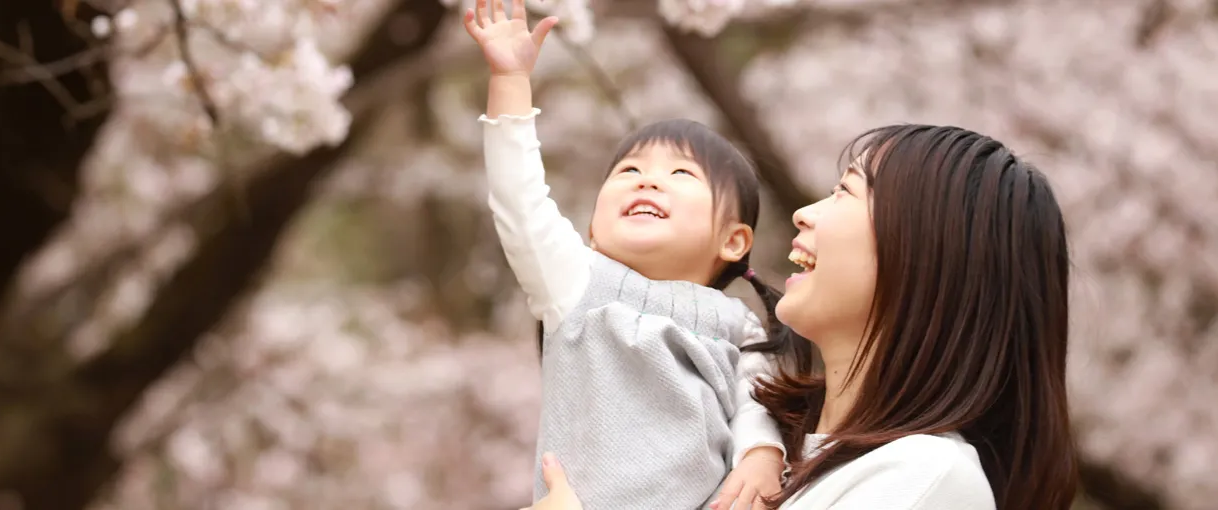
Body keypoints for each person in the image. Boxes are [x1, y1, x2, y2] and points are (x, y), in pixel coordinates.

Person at [525, 125, 1081, 509]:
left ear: (924, 250)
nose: (803, 213)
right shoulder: (756, 445)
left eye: (844, 192)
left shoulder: (925, 477)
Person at [462, 0, 793, 508]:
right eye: (629, 172)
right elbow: (519, 199)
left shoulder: (740, 326)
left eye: (681, 175)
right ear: (592, 228)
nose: (649, 180)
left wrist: (762, 453)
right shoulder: (577, 284)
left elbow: (758, 402)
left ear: (732, 241)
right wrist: (510, 80)